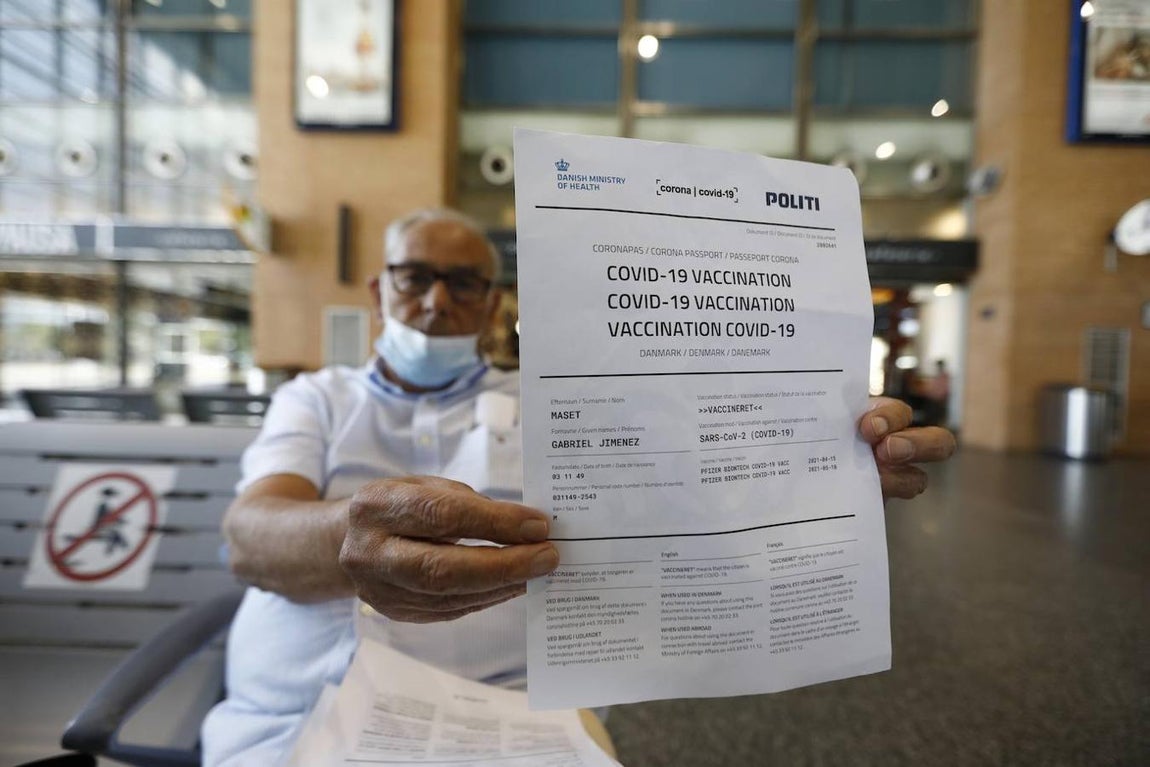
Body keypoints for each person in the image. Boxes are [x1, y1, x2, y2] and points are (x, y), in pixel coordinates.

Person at [201, 208, 957, 765]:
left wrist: (835, 465)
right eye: (415, 278)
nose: (436, 302)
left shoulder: (559, 401)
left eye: (464, 283)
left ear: (494, 304)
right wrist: (346, 540)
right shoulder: (319, 398)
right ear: (378, 289)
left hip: (509, 717)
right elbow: (250, 535)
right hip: (298, 714)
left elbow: (695, 495)